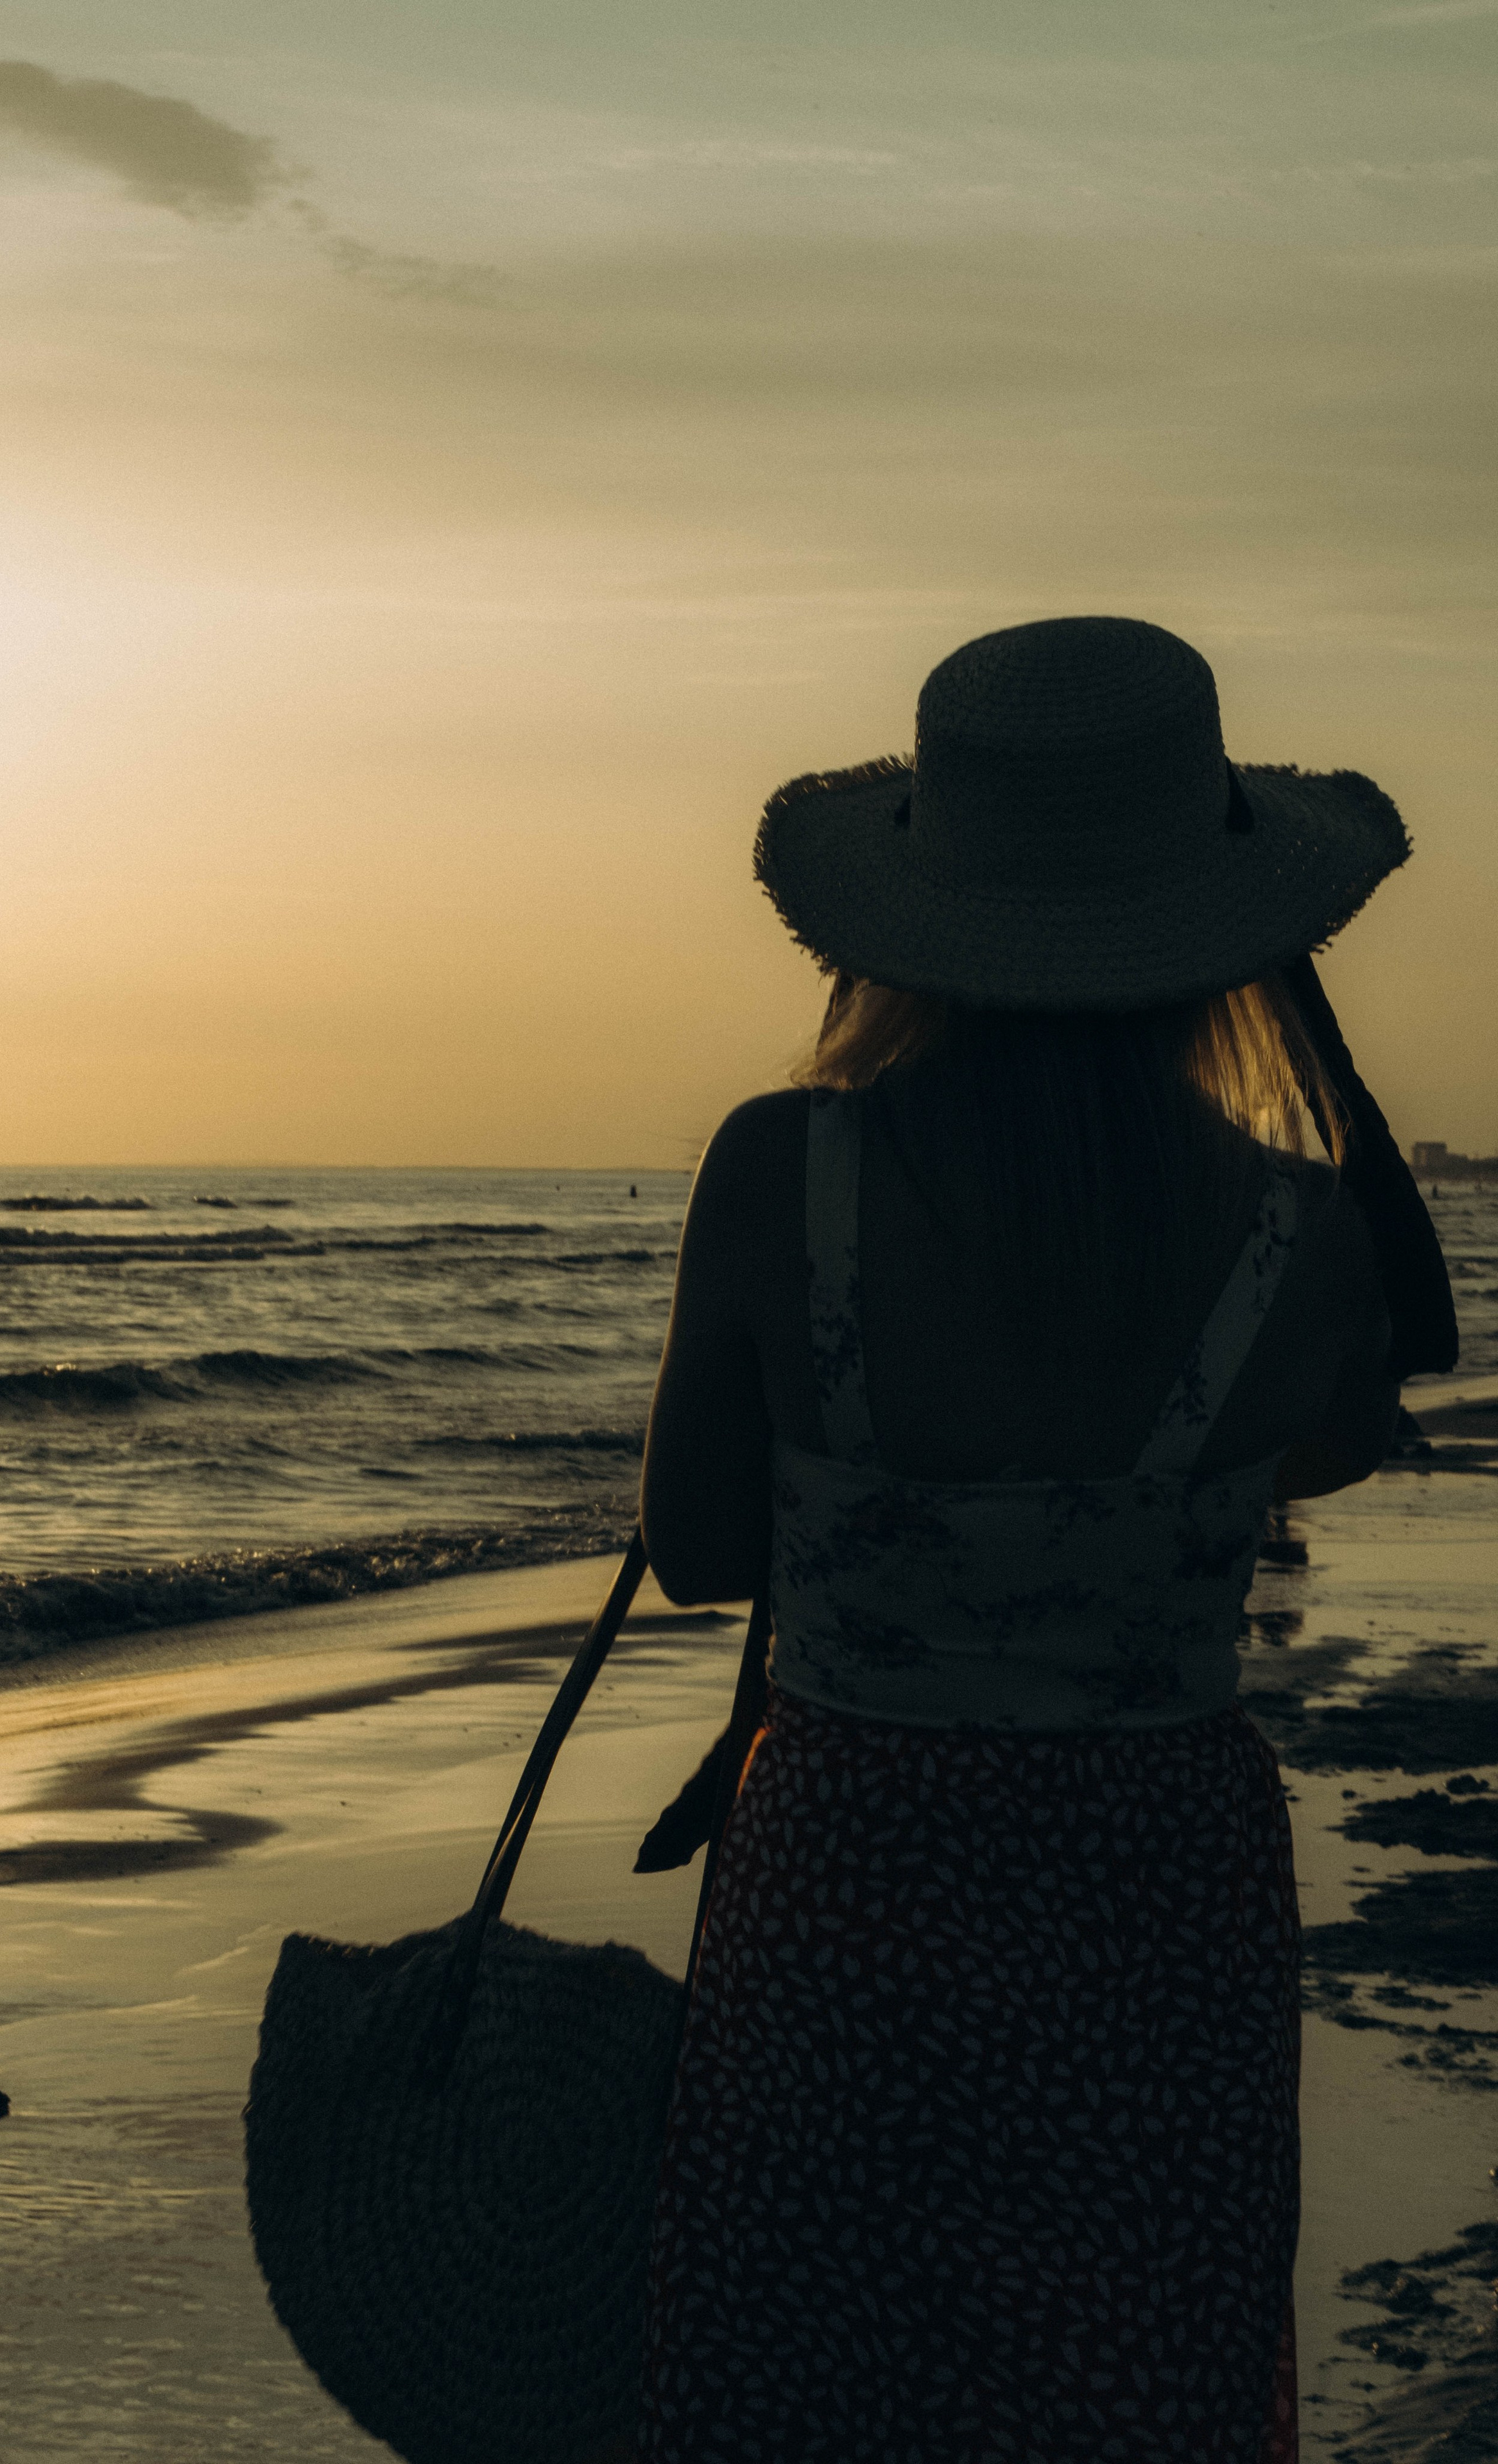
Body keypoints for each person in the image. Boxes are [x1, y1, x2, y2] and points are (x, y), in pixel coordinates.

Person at [633, 617, 1420, 2464]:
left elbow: (697, 1547)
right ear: (1224, 921)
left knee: (815, 2374)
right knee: (1136, 2367)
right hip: (1156, 1871)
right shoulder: (1296, 1232)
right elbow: (1331, 1447)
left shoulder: (783, 1169)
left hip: (853, 1857)